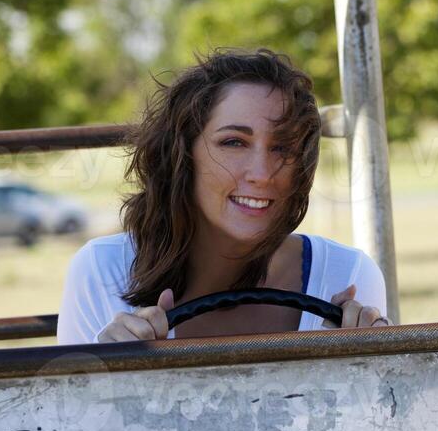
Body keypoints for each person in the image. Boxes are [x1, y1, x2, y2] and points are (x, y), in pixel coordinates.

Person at [57, 48, 388, 344]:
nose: (261, 173)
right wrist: (105, 376)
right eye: (233, 143)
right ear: (183, 155)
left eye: (283, 148)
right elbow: (74, 413)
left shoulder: (348, 276)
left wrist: (359, 366)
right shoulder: (102, 270)